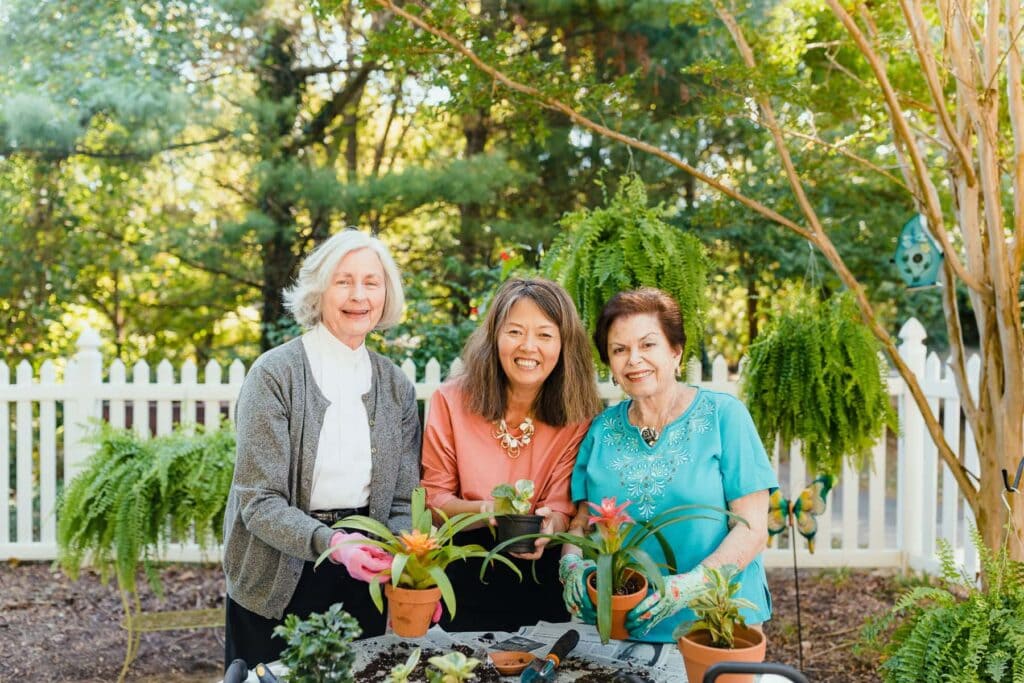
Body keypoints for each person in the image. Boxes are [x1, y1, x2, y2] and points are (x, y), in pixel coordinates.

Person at [222, 230, 421, 669]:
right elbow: (258, 501)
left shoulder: (396, 387)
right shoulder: (274, 375)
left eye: (372, 282)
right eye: (343, 281)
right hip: (276, 573)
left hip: (361, 572)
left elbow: (405, 499)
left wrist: (404, 570)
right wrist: (332, 544)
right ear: (318, 290)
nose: (358, 295)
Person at [560, 288, 777, 643]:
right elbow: (582, 523)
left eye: (647, 345)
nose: (634, 360)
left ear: (675, 351)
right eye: (620, 350)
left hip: (714, 624)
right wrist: (571, 564)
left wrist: (691, 585)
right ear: (610, 365)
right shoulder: (600, 430)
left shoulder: (724, 416)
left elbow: (752, 527)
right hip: (620, 626)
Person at [421, 277, 603, 632]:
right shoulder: (451, 401)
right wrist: (490, 511)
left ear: (564, 345)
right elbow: (434, 502)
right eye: (515, 331)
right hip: (466, 566)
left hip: (541, 569)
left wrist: (550, 527)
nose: (529, 347)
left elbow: (563, 506)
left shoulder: (578, 415)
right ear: (494, 337)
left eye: (545, 335)